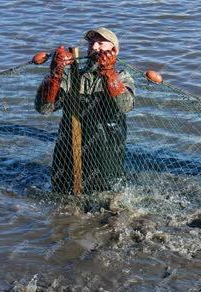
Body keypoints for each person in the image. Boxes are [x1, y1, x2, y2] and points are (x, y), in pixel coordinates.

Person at [35, 28, 135, 194]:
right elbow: (44, 108)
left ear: (114, 51)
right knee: (62, 200)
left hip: (106, 154)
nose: (94, 47)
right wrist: (55, 74)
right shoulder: (72, 77)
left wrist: (109, 74)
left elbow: (126, 106)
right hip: (67, 155)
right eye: (91, 43)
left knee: (108, 201)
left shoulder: (123, 77)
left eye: (101, 43)